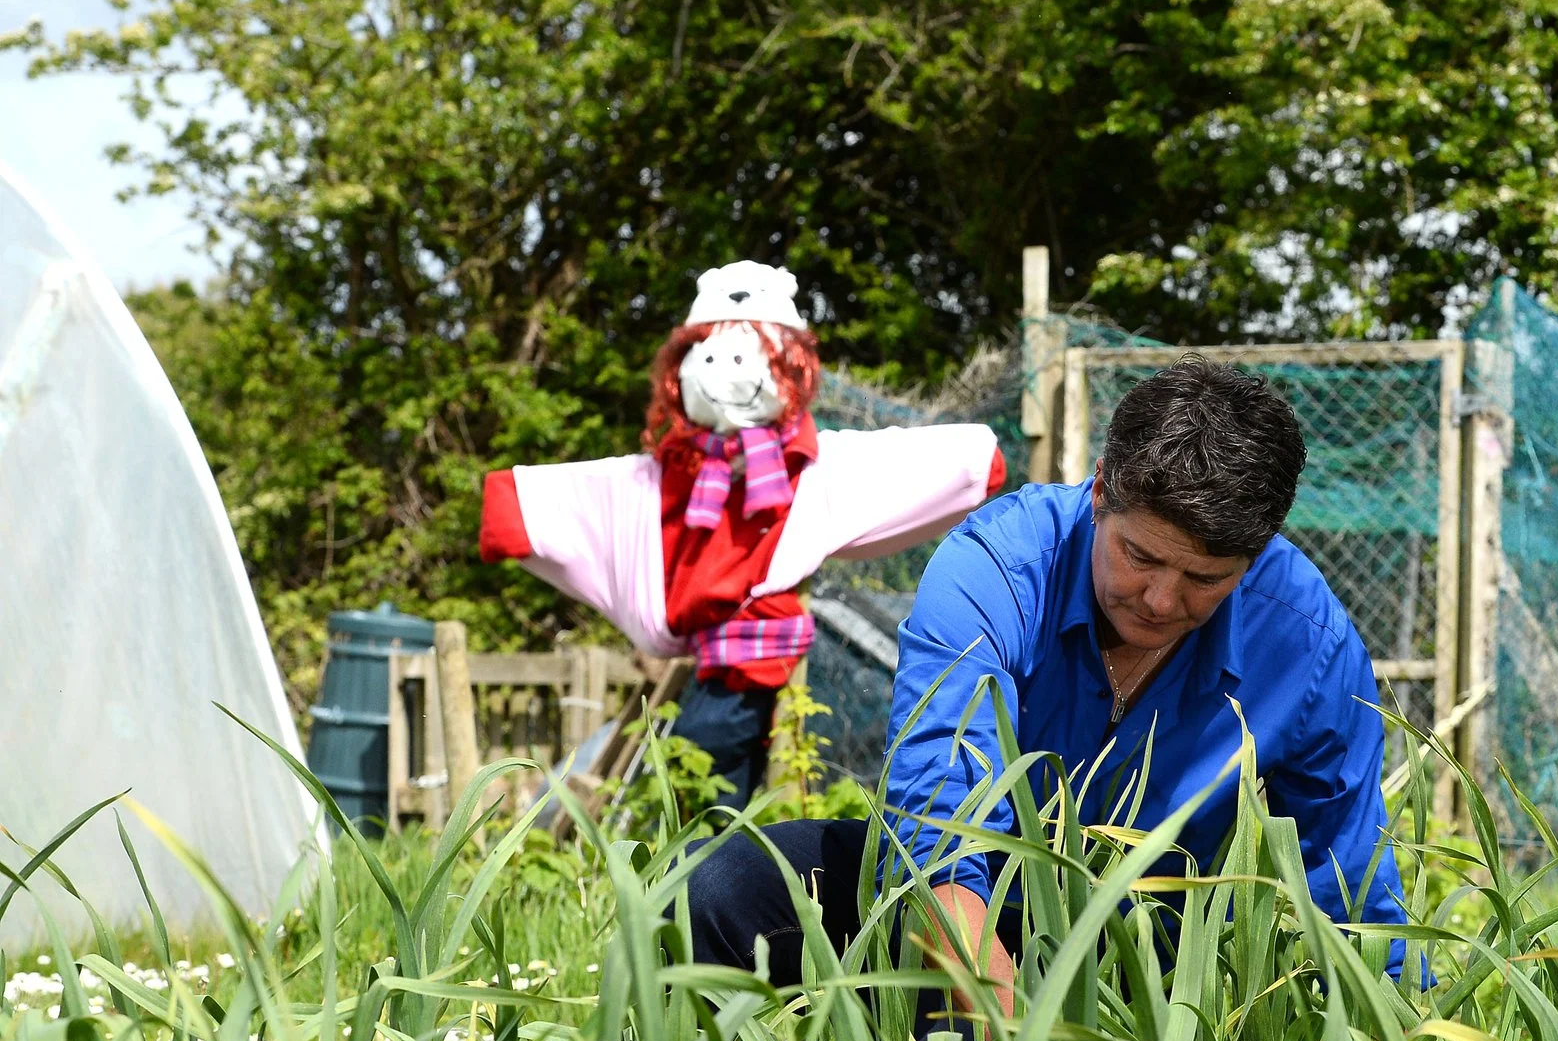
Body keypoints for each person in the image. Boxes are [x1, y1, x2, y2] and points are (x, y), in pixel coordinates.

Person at [683, 357, 1404, 996]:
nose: (1160, 600)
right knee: (718, 887)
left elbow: (1352, 888)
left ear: (1254, 557)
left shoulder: (1304, 638)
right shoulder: (996, 570)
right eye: (1141, 558)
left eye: (1204, 579)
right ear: (1099, 494)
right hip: (965, 907)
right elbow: (934, 846)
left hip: (1139, 953)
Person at [479, 262, 1004, 806]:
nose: (724, 371)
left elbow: (894, 463)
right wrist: (512, 509)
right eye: (708, 357)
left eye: (743, 356)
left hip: (751, 654)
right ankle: (708, 873)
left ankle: (696, 877)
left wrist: (975, 461)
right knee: (716, 788)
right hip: (716, 655)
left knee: (700, 784)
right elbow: (601, 492)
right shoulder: (676, 472)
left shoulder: (809, 469)